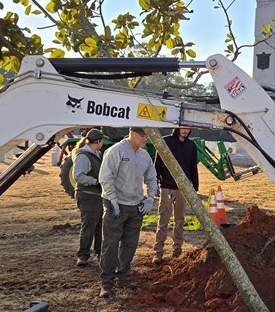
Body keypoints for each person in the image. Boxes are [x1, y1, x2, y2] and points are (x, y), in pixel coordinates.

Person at [98, 126, 158, 299]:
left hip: (135, 206)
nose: (145, 139)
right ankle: (107, 283)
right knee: (110, 243)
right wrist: (113, 200)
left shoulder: (144, 155)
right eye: (142, 135)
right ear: (132, 133)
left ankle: (122, 277)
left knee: (130, 244)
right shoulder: (115, 151)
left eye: (147, 136)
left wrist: (150, 198)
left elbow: (152, 177)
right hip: (116, 205)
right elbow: (105, 177)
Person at [153, 128, 199, 263]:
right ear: (178, 127)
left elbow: (193, 167)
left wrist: (194, 187)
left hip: (182, 189)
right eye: (183, 128)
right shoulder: (165, 142)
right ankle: (158, 253)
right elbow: (157, 164)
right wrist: (156, 182)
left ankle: (177, 251)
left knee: (179, 220)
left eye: (188, 129)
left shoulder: (191, 146)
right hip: (167, 187)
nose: (186, 131)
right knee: (163, 220)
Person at [73, 128, 106, 267]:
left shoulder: (96, 153)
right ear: (98, 141)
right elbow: (78, 176)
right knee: (89, 226)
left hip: (96, 195)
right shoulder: (84, 156)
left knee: (99, 226)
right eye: (102, 141)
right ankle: (83, 255)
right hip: (88, 195)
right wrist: (96, 182)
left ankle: (99, 253)